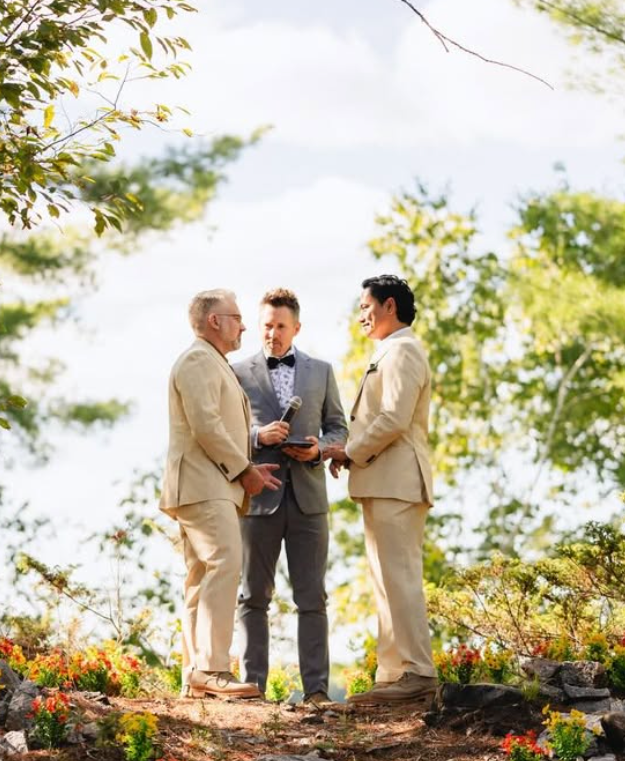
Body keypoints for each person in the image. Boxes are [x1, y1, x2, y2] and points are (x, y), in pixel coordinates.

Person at [159, 289, 281, 699]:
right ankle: (212, 668)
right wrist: (244, 469)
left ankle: (196, 675)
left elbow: (218, 427)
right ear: (214, 320)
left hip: (210, 482)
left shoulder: (213, 363)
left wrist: (247, 464)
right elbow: (206, 426)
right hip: (203, 482)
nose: (244, 325)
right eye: (237, 317)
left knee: (201, 575)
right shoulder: (198, 359)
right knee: (225, 562)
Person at [323, 275, 438, 704]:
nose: (360, 317)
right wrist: (348, 452)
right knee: (386, 578)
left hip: (397, 480)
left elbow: (393, 418)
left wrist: (350, 451)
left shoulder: (403, 350)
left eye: (365, 307)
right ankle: (392, 674)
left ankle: (416, 672)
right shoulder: (390, 350)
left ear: (389, 306)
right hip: (384, 480)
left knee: (400, 576)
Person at [232, 288, 348, 704]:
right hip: (258, 498)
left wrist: (319, 448)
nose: (272, 333)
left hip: (309, 499)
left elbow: (339, 427)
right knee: (252, 596)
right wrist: (256, 436)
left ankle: (316, 691)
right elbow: (224, 433)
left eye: (281, 326)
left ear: (296, 327)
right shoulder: (236, 372)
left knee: (312, 597)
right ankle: (252, 689)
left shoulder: (322, 371)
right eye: (266, 325)